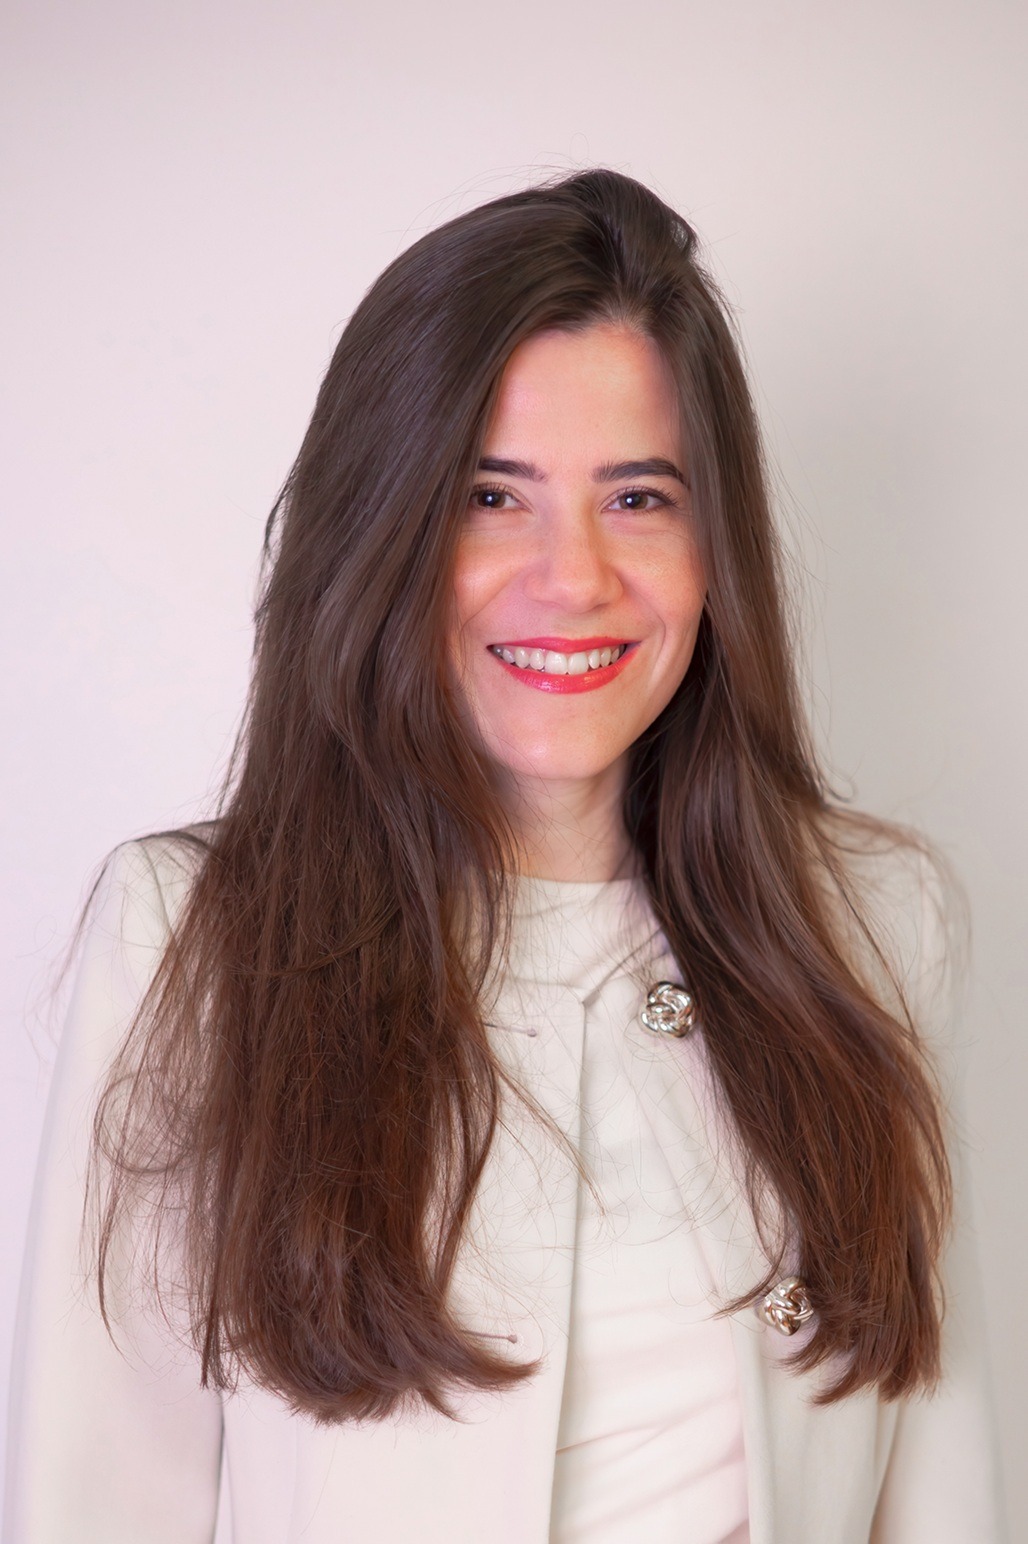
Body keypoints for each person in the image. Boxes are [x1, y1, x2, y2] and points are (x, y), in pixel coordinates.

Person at [4, 169, 1004, 1543]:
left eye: (639, 496)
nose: (573, 575)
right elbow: (96, 1504)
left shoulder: (876, 925)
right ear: (381, 529)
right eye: (490, 495)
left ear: (715, 543)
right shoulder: (192, 938)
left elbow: (943, 1478)